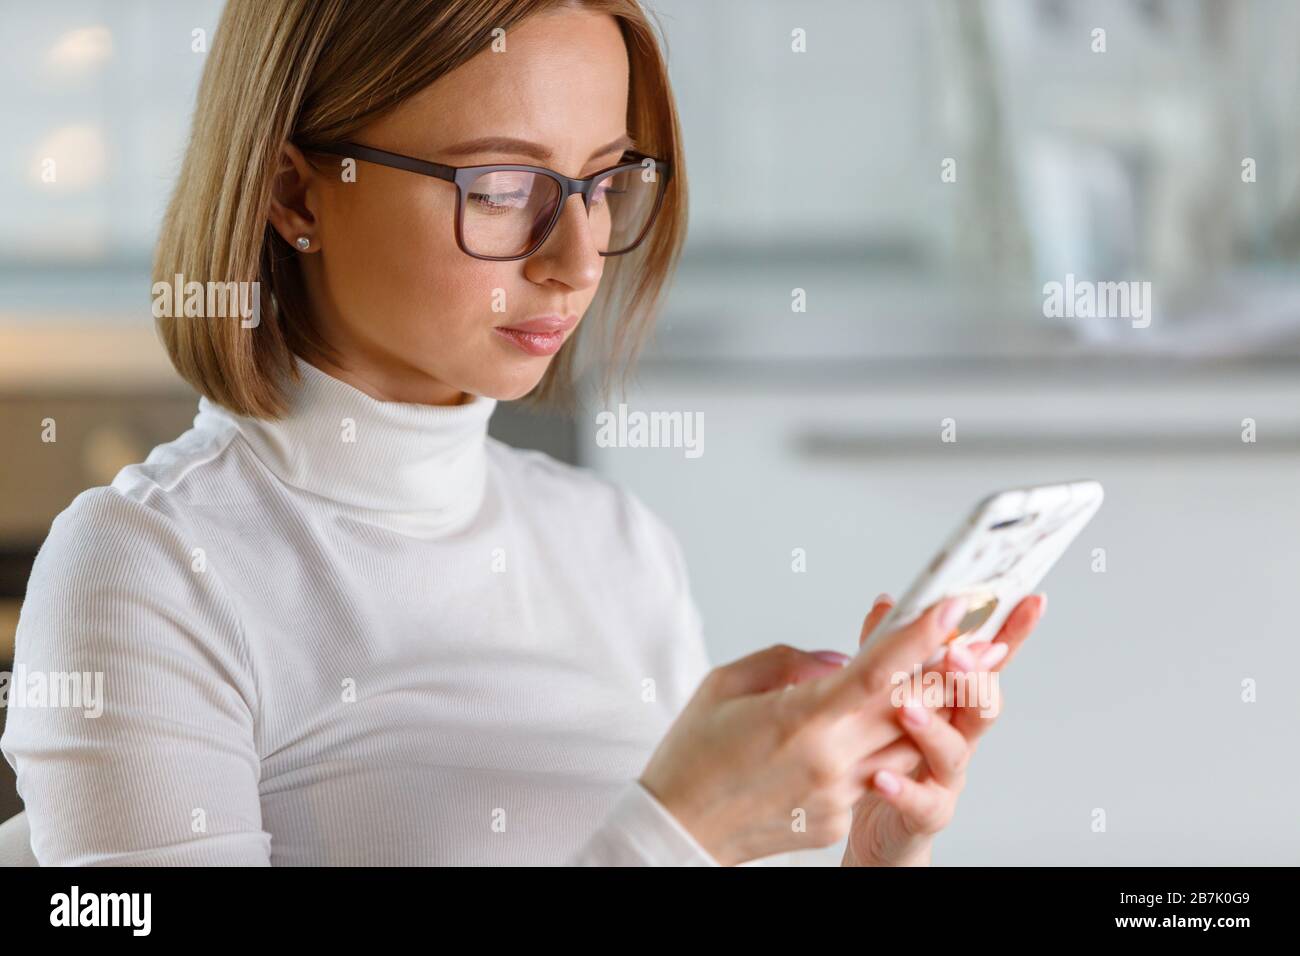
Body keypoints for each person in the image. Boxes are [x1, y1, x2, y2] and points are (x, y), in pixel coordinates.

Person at [0, 0, 1044, 866]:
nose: (578, 256)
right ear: (292, 190)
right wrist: (671, 832)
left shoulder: (617, 544)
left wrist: (876, 846)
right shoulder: (149, 572)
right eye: (501, 189)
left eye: (603, 182)